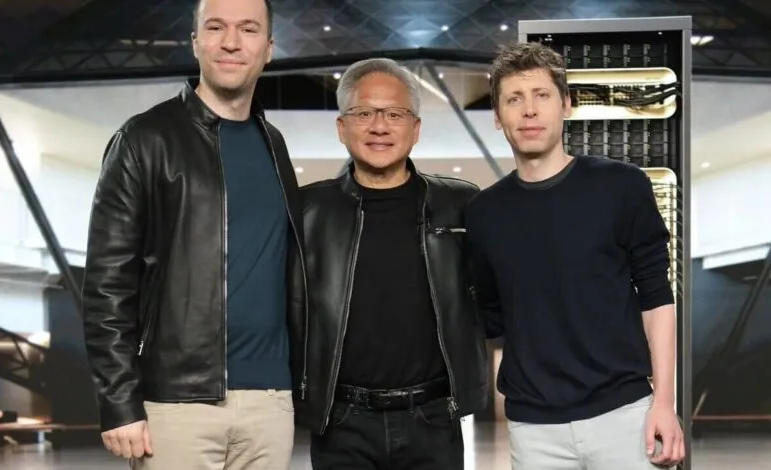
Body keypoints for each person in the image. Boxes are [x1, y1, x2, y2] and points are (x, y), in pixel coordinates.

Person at [80, 0, 306, 468]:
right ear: (195, 42)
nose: (230, 42)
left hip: (270, 402)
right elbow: (107, 284)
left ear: (268, 48)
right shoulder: (145, 139)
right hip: (177, 405)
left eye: (247, 29)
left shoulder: (274, 143)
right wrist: (119, 402)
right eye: (215, 27)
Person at [465, 42, 685, 469]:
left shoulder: (622, 186)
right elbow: (492, 314)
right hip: (534, 428)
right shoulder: (483, 212)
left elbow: (657, 298)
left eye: (541, 96)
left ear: (565, 105)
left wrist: (664, 403)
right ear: (497, 116)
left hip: (625, 416)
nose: (529, 111)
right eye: (514, 99)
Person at [291, 58, 488, 470]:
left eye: (395, 114)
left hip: (433, 418)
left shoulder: (461, 204)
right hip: (341, 421)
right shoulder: (307, 210)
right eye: (364, 113)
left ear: (415, 129)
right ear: (342, 127)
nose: (379, 127)